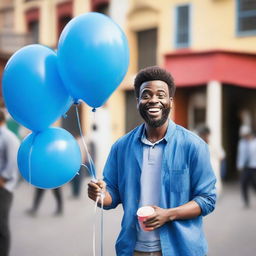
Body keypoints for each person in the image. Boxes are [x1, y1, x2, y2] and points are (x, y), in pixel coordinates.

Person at [88, 66, 216, 256]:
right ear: (138, 101)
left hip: (181, 249)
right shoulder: (121, 147)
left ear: (170, 102)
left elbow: (207, 199)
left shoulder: (193, 146)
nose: (153, 100)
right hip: (133, 250)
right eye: (146, 95)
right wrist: (99, 194)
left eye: (160, 95)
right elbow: (111, 195)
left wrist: (168, 214)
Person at [0, 108, 20, 256]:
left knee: (2, 226)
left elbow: (13, 163)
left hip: (4, 189)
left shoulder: (9, 137)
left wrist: (3, 181)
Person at [197, 125, 225, 196]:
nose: (203, 136)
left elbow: (221, 156)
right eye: (202, 135)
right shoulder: (196, 144)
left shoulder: (214, 145)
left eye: (205, 135)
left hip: (214, 173)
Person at [236, 125, 256, 208]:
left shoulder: (254, 142)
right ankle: (246, 202)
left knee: (254, 184)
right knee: (243, 184)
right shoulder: (241, 142)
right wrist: (239, 165)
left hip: (254, 166)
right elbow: (240, 155)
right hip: (245, 167)